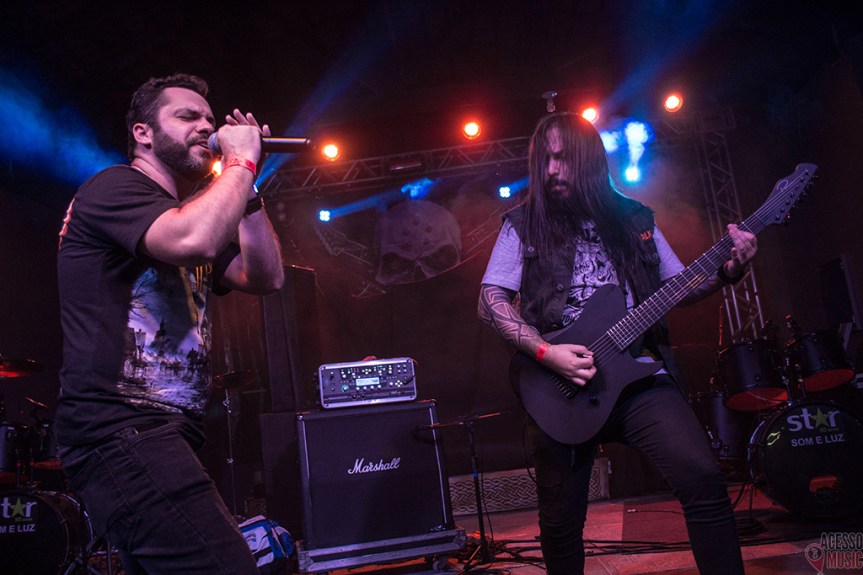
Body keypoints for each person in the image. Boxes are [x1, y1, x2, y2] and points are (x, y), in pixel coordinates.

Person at [478, 112, 755, 575]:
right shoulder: (523, 223)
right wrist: (547, 352)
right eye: (544, 159)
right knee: (561, 524)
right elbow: (491, 301)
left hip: (638, 378)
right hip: (559, 388)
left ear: (589, 158)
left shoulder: (634, 218)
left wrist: (730, 270)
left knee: (704, 479)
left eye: (562, 158)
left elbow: (679, 285)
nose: (551, 170)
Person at [55, 73, 284, 574]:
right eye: (187, 116)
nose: (205, 127)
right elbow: (193, 241)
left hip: (162, 431)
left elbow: (265, 276)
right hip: (118, 428)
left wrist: (247, 187)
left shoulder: (187, 212)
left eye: (209, 118)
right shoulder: (114, 188)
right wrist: (240, 163)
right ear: (143, 133)